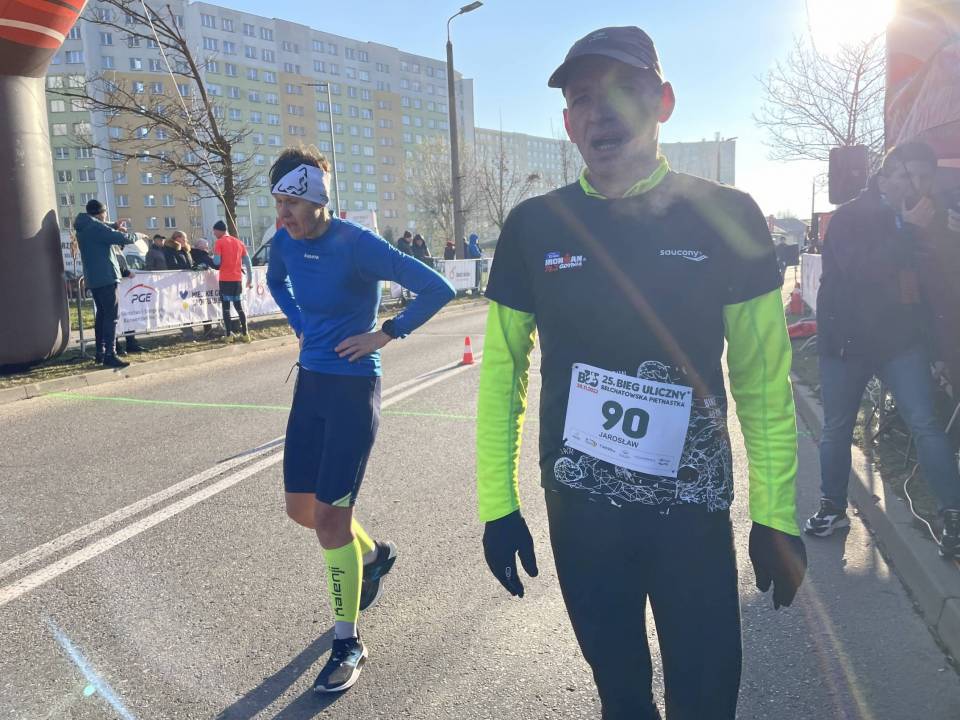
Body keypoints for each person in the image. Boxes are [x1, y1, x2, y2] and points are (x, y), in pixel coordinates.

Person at [476, 27, 806, 720]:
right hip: (583, 515)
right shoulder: (534, 227)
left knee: (706, 701)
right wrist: (497, 505)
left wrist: (774, 513)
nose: (602, 111)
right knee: (622, 699)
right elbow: (503, 375)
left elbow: (762, 382)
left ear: (664, 102)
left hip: (690, 516)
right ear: (568, 122)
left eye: (625, 90)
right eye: (583, 98)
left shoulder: (727, 215)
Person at [266, 146, 454, 693]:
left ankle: (347, 641)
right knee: (302, 510)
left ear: (316, 200)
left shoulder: (356, 244)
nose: (282, 215)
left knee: (329, 522)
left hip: (353, 390)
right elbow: (276, 282)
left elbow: (437, 288)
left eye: (291, 203)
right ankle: (372, 555)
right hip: (310, 384)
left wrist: (385, 333)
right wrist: (300, 322)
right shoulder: (284, 241)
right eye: (277, 203)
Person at [806, 141, 960, 557]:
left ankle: (954, 515)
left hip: (900, 341)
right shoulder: (851, 216)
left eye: (926, 178)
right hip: (847, 342)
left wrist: (937, 351)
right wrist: (908, 230)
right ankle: (832, 507)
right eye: (910, 176)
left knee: (925, 423)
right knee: (837, 427)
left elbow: (937, 286)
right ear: (886, 175)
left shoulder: (929, 218)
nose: (918, 185)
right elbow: (861, 270)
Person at [73, 199, 137, 368]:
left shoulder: (84, 225)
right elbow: (122, 237)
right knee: (111, 317)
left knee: (102, 316)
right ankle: (110, 354)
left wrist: (114, 225)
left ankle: (100, 352)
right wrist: (138, 236)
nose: (106, 216)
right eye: (105, 213)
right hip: (107, 277)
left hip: (94, 278)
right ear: (100, 213)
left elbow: (102, 227)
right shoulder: (96, 227)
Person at [212, 220, 253, 342]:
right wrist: (250, 279)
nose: (214, 234)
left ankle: (228, 335)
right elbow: (248, 262)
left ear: (219, 230)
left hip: (225, 280)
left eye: (214, 231)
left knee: (226, 308)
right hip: (237, 280)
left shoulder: (219, 242)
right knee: (238, 307)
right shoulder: (239, 242)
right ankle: (245, 334)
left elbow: (217, 262)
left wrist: (213, 257)